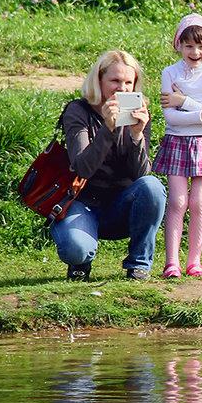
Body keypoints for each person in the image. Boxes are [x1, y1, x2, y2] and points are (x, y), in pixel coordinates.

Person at [54, 49, 167, 281]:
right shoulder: (78, 111)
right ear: (99, 80)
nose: (122, 88)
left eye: (128, 82)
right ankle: (81, 263)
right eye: (115, 80)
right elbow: (82, 167)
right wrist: (108, 128)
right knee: (76, 250)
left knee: (153, 186)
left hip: (120, 206)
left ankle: (139, 265)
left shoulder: (137, 112)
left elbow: (141, 175)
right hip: (82, 201)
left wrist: (137, 136)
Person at [153, 13, 202, 279]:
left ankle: (194, 262)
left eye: (201, 46)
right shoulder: (169, 72)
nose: (195, 52)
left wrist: (183, 101)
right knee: (177, 201)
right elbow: (170, 117)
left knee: (199, 203)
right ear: (178, 45)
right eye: (188, 46)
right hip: (176, 140)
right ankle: (171, 262)